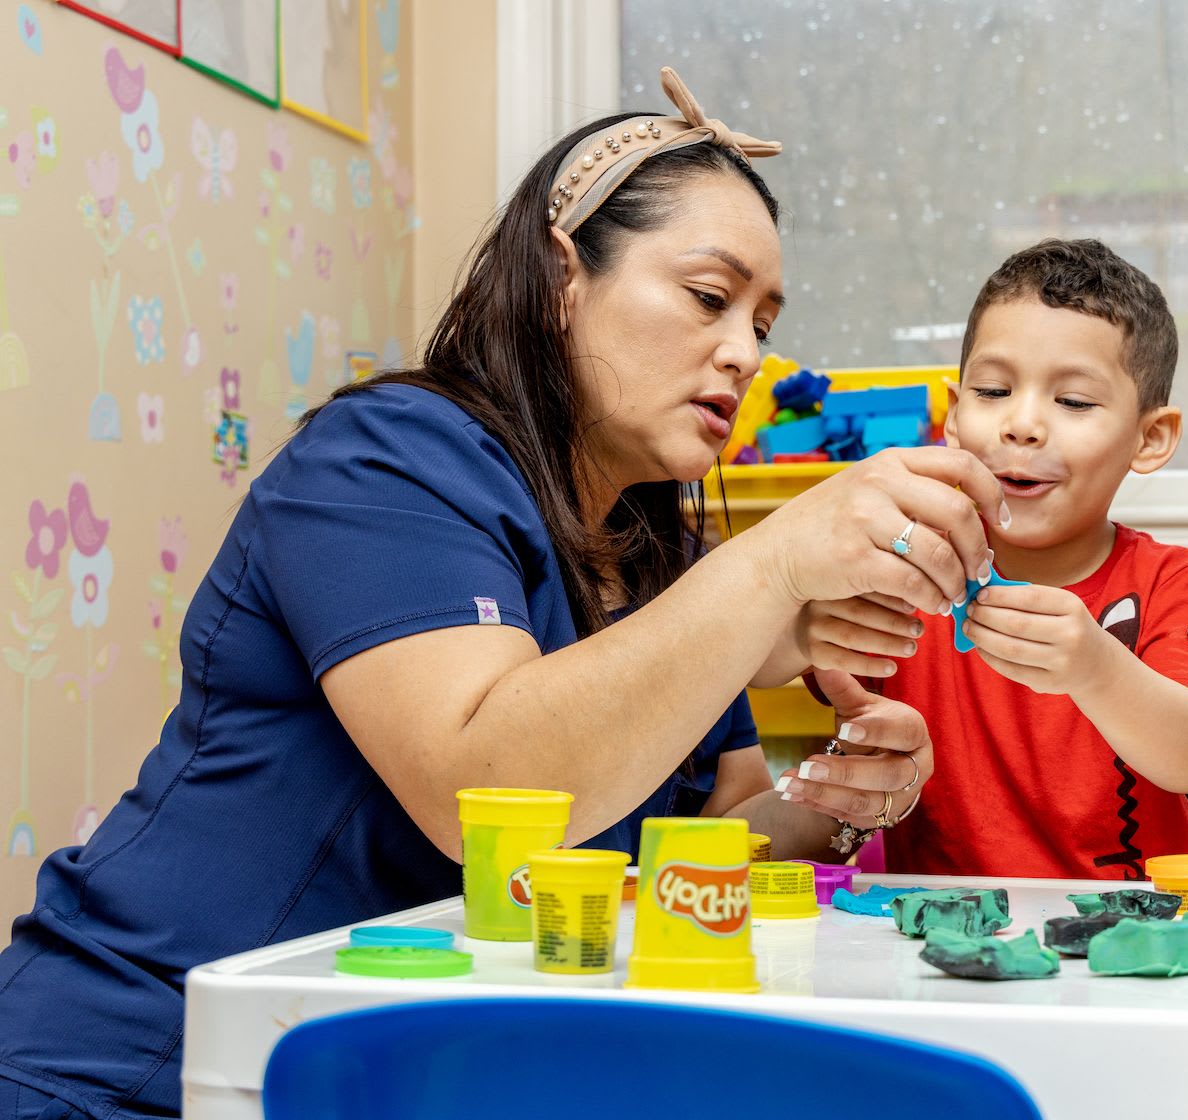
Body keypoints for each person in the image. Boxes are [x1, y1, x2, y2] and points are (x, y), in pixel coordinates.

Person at [0, 69, 1004, 1120]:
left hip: (390, 1079)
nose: (745, 352)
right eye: (711, 298)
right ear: (561, 276)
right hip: (139, 1070)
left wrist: (832, 798)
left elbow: (712, 830)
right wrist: (771, 565)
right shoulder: (386, 462)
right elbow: (484, 788)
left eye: (762, 320)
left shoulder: (656, 557)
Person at [787, 239, 1188, 880]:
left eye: (1074, 401)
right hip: (942, 950)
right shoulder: (901, 569)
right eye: (994, 390)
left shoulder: (1172, 581)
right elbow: (762, 658)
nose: (1022, 425)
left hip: (1132, 950)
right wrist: (803, 622)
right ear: (953, 413)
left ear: (1150, 437)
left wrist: (1096, 669)